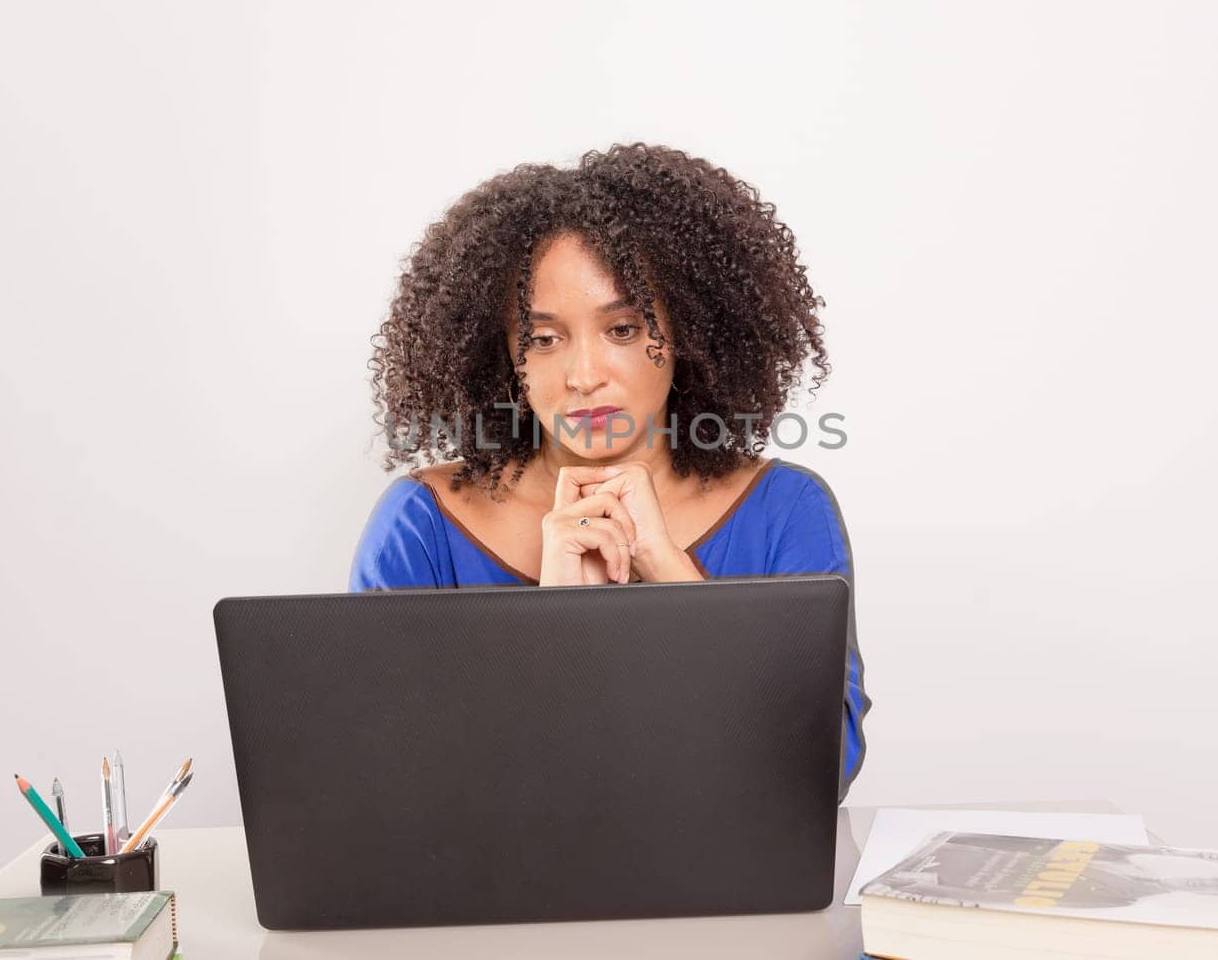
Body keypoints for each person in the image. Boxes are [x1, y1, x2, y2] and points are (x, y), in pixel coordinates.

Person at [348, 142, 871, 799]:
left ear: (693, 334)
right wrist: (558, 626)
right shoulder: (421, 523)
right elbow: (385, 776)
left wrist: (671, 573)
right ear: (501, 355)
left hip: (726, 893)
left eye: (623, 329)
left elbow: (822, 769)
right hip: (492, 897)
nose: (584, 375)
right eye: (543, 339)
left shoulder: (785, 509)